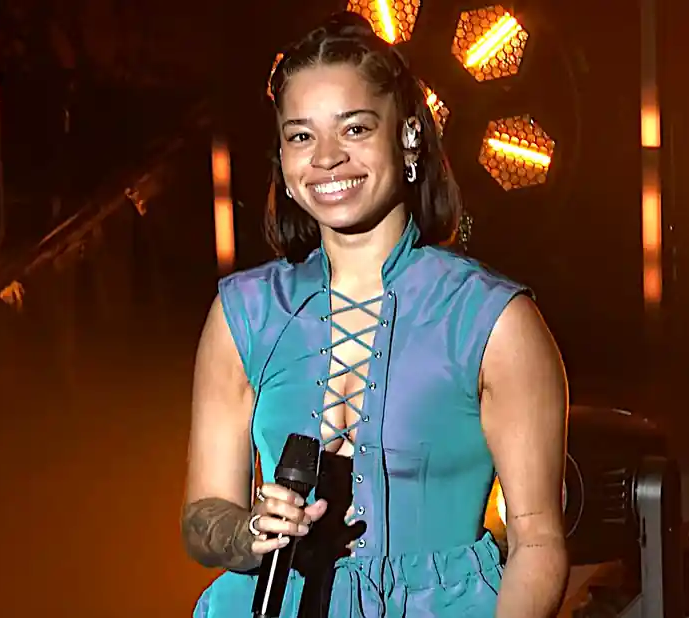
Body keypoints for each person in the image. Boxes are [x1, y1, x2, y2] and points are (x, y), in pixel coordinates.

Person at [181, 12, 569, 617]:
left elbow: (538, 541)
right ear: (282, 158)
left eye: (354, 129)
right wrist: (247, 531)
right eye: (301, 136)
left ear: (409, 135)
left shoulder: (495, 320)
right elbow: (204, 516)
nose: (327, 159)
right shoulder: (245, 312)